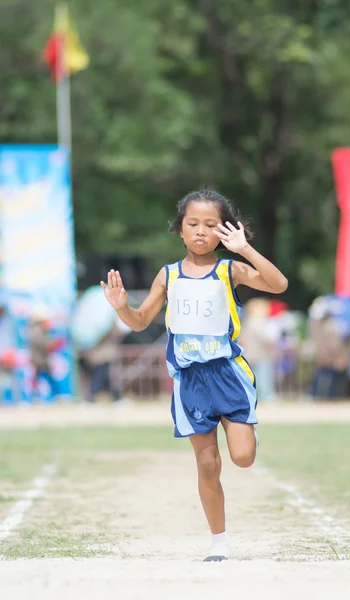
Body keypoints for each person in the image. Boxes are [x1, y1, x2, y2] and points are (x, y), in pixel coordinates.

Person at [101, 188, 288, 561]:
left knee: (243, 457)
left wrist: (244, 249)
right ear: (180, 230)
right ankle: (219, 542)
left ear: (223, 230)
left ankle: (242, 428)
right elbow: (139, 322)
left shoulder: (229, 269)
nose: (201, 231)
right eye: (193, 224)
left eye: (210, 225)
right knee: (207, 463)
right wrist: (123, 308)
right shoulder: (168, 276)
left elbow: (278, 284)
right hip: (190, 381)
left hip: (229, 375)